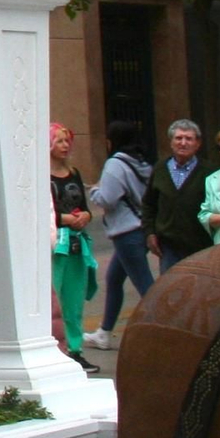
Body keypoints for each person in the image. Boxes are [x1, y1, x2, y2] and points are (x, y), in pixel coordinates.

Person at [83, 120, 153, 350]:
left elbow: (107, 199)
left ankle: (164, 327)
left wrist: (94, 190)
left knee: (145, 286)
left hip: (126, 232)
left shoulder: (115, 164)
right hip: (140, 228)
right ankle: (104, 332)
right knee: (114, 278)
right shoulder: (142, 162)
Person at [48, 122, 99, 373]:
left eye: (67, 140)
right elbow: (43, 212)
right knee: (54, 300)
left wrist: (85, 217)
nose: (65, 145)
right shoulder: (42, 176)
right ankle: (59, 349)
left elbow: (86, 207)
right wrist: (66, 219)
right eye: (59, 140)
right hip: (57, 244)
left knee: (74, 300)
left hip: (78, 243)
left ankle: (76, 350)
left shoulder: (75, 173)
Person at [142, 118, 213, 274]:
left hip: (200, 245)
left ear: (197, 144)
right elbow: (148, 204)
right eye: (178, 138)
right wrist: (150, 232)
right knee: (170, 291)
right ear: (171, 142)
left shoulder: (209, 171)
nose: (183, 143)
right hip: (168, 247)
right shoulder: (160, 168)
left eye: (188, 138)